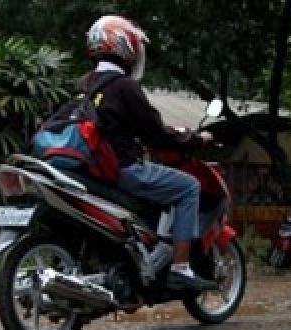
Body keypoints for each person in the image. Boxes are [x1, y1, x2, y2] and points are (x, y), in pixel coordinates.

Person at [84, 15, 215, 292]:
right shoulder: (123, 86)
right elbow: (155, 132)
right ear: (124, 46)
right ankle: (180, 268)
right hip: (122, 169)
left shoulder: (84, 85)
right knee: (189, 187)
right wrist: (194, 139)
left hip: (88, 169)